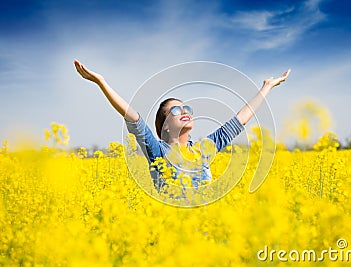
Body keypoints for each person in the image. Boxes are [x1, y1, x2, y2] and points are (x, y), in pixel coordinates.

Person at [74, 59, 290, 193]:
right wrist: (101, 82)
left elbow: (240, 119)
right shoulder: (158, 151)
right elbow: (133, 117)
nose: (184, 111)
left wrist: (267, 87)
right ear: (165, 126)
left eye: (187, 108)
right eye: (176, 110)